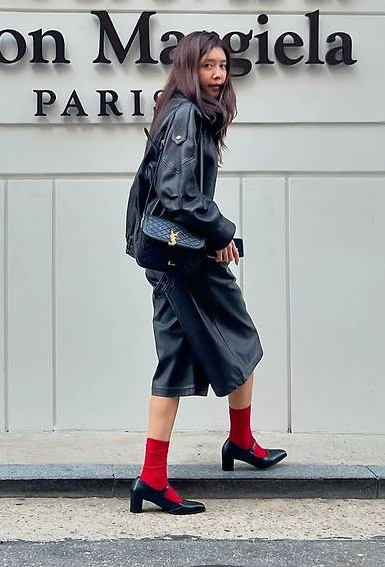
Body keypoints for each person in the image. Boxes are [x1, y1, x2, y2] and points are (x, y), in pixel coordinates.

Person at [125, 30, 287, 515]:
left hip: (174, 257)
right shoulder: (187, 115)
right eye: (207, 66)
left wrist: (214, 237)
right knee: (239, 337)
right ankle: (230, 444)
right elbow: (178, 196)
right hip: (181, 260)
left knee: (181, 358)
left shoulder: (178, 111)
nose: (218, 75)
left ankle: (163, 473)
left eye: (222, 66)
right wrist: (220, 233)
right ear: (188, 69)